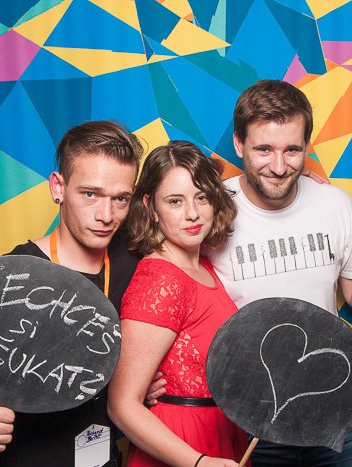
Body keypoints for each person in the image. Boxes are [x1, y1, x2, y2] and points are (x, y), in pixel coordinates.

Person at [0, 121, 163, 466]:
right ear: (58, 187)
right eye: (90, 194)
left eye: (120, 199)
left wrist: (139, 380)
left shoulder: (135, 268)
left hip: (102, 457)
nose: (106, 215)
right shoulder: (11, 275)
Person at [205, 80, 352, 466]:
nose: (279, 167)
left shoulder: (334, 203)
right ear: (239, 145)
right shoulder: (209, 207)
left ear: (306, 147)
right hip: (250, 415)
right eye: (264, 149)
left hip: (331, 407)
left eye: (292, 150)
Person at [107, 141, 249, 467]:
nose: (192, 213)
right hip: (183, 446)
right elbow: (121, 404)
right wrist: (198, 462)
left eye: (202, 197)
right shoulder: (161, 279)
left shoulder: (202, 266)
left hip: (221, 435)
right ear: (151, 207)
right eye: (175, 201)